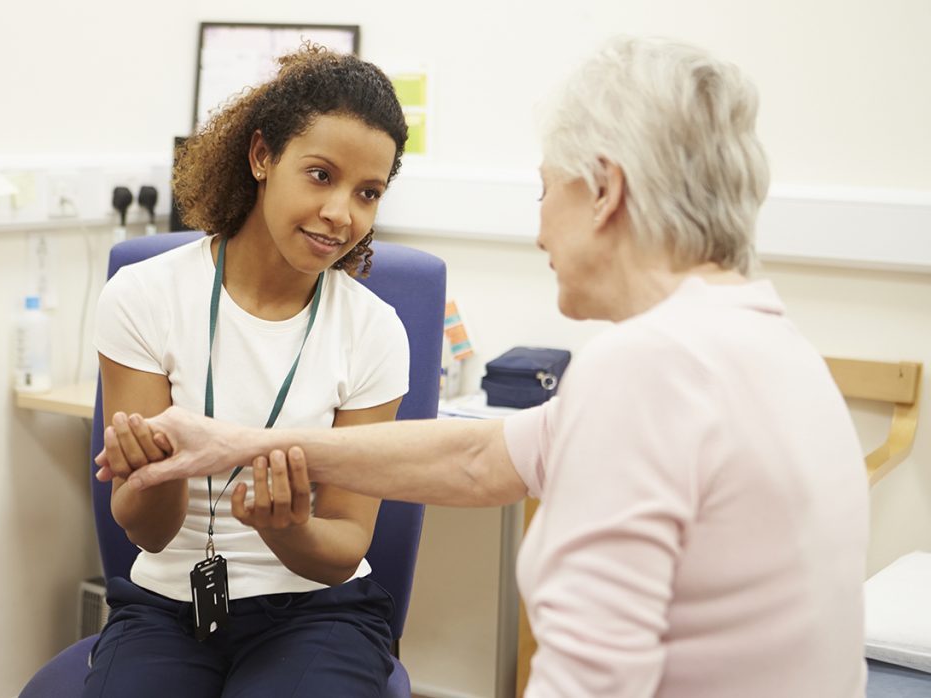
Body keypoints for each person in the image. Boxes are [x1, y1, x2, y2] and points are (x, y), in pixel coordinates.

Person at [99, 37, 869, 697]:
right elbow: (478, 459)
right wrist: (239, 447)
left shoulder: (646, 372)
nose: (537, 228)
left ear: (604, 191)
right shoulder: (771, 346)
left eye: (543, 190)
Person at [87, 44, 411, 698]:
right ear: (263, 156)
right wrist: (158, 471)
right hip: (169, 606)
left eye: (367, 192)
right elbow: (146, 530)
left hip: (318, 610)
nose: (342, 213)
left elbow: (345, 544)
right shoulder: (143, 297)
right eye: (321, 175)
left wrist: (285, 529)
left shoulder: (374, 331)